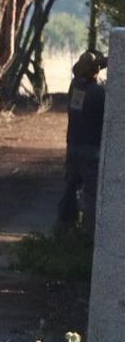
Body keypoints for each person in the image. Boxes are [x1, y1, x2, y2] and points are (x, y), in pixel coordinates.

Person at [58, 49, 107, 235]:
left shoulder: (75, 88)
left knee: (70, 187)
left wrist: (98, 63)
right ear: (95, 71)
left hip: (73, 146)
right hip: (91, 149)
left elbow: (87, 71)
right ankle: (89, 233)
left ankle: (64, 226)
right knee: (91, 193)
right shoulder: (99, 93)